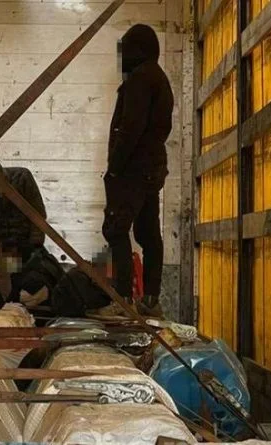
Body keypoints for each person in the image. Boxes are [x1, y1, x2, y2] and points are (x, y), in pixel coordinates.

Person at [103, 24, 174, 312]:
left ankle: (123, 301)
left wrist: (115, 167)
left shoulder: (141, 78)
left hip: (132, 168)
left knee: (115, 229)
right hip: (151, 168)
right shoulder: (159, 78)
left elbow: (130, 127)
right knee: (148, 233)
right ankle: (150, 300)